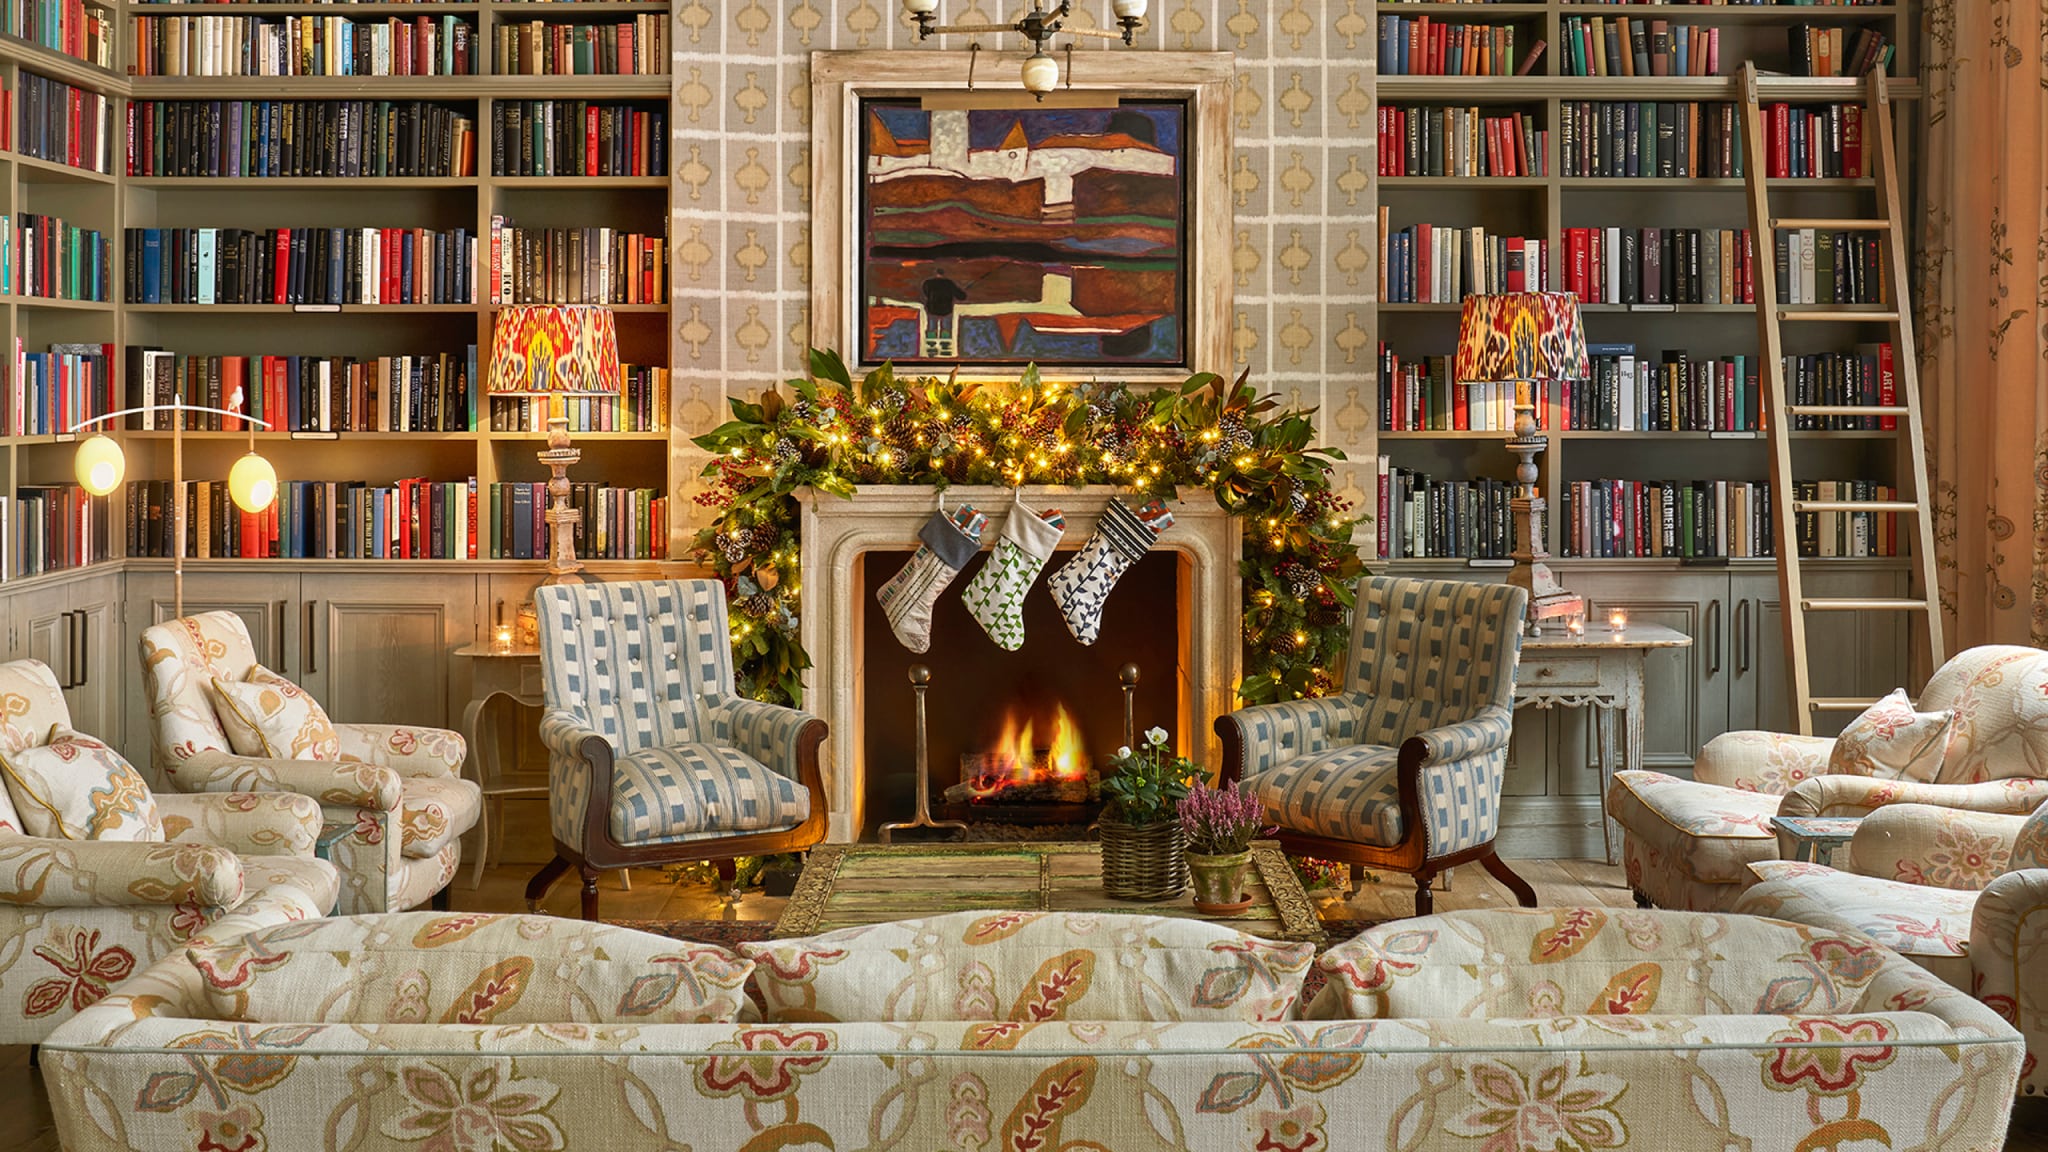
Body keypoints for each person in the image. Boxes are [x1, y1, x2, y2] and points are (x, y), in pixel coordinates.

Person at [921, 268, 968, 355]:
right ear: (943, 274)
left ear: (935, 273)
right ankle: (945, 348)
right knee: (946, 329)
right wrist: (963, 293)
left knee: (931, 329)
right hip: (946, 310)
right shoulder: (949, 283)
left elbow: (925, 293)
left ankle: (931, 348)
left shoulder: (928, 283)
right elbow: (960, 296)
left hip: (932, 309)